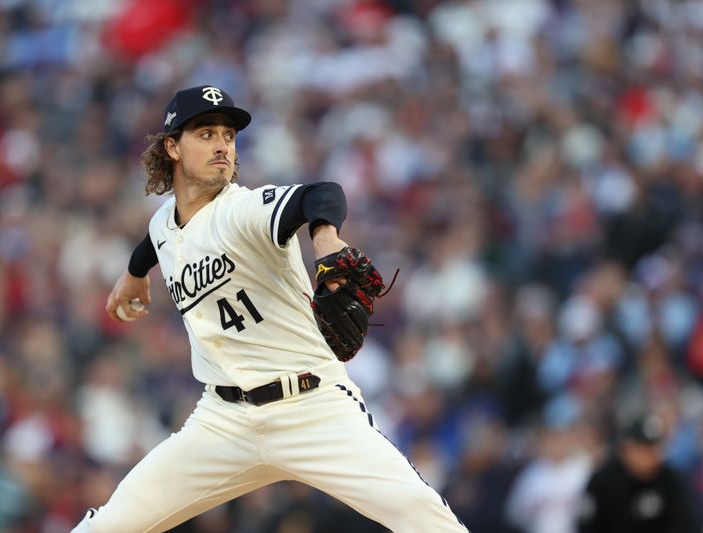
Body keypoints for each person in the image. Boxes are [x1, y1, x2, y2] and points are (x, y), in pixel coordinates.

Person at [70, 85, 468, 533]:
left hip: (312, 409)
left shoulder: (242, 210)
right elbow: (158, 237)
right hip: (222, 423)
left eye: (228, 135)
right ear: (172, 147)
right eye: (205, 134)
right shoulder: (164, 222)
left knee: (427, 519)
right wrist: (134, 273)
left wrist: (325, 238)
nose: (222, 144)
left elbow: (320, 193)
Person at [576, 414, 701, 533]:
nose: (650, 455)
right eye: (642, 448)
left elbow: (686, 525)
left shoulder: (673, 481)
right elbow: (587, 524)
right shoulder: (603, 481)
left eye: (654, 447)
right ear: (624, 450)